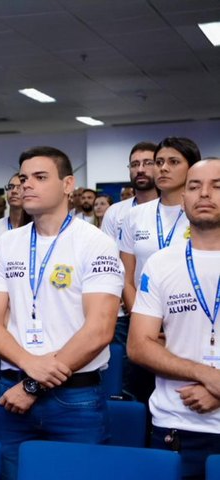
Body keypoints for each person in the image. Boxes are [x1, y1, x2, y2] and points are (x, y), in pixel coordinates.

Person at [0, 146, 123, 480]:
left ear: (68, 184)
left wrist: (32, 386)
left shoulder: (95, 242)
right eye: (23, 177)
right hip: (10, 392)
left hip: (75, 398)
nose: (27, 185)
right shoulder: (6, 244)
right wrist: (29, 368)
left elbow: (100, 329)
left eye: (40, 177)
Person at [129, 159, 220, 479]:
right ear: (183, 200)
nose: (205, 193)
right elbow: (139, 345)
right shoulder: (161, 263)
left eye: (217, 185)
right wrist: (207, 375)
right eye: (194, 186)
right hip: (175, 429)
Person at [99, 142, 159, 398]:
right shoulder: (116, 213)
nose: (141, 170)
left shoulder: (180, 208)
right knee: (129, 383)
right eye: (135, 165)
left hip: (172, 312)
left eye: (148, 163)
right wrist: (137, 310)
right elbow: (111, 264)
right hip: (126, 312)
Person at [120, 137, 201, 315]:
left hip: (195, 313)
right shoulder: (135, 215)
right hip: (144, 312)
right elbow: (126, 279)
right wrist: (142, 319)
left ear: (192, 168)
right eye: (159, 162)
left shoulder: (202, 214)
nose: (163, 168)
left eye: (174, 162)